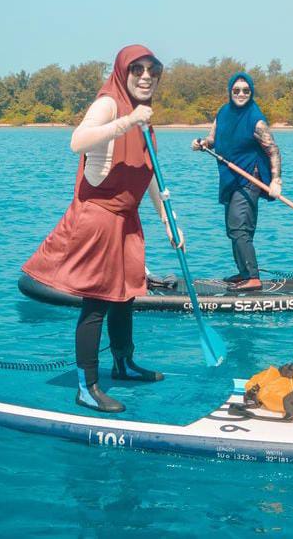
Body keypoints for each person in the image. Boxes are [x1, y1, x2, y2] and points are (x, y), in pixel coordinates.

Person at [22, 45, 182, 414]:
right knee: (96, 302)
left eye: (152, 71)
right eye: (137, 69)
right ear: (122, 72)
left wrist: (167, 219)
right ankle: (87, 386)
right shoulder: (110, 103)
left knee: (125, 295)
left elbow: (150, 171)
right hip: (98, 214)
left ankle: (123, 364)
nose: (145, 76)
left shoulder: (144, 116)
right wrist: (129, 121)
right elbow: (77, 140)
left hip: (127, 218)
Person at [192, 72, 281, 291]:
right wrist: (202, 143)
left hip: (250, 177)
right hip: (230, 177)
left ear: (251, 92)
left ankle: (252, 277)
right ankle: (244, 272)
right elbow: (213, 139)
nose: (241, 94)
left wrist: (276, 181)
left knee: (239, 227)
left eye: (245, 91)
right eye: (236, 90)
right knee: (234, 229)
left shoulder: (255, 119)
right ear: (230, 91)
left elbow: (273, 150)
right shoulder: (223, 113)